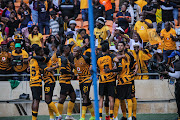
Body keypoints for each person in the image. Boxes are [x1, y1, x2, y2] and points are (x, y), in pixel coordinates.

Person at [29, 47, 59, 120]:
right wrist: (56, 66)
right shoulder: (40, 61)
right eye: (41, 51)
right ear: (39, 53)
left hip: (33, 82)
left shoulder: (32, 60)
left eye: (43, 51)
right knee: (38, 100)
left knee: (37, 100)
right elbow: (47, 69)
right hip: (38, 82)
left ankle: (52, 117)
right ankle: (57, 115)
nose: (42, 53)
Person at [112, 41, 138, 120]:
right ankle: (124, 116)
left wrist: (136, 70)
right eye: (118, 45)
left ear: (124, 47)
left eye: (121, 45)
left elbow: (135, 64)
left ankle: (133, 116)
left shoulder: (129, 55)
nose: (120, 47)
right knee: (122, 98)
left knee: (131, 97)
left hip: (129, 79)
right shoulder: (116, 55)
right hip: (121, 79)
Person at [73, 46, 95, 120]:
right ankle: (93, 115)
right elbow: (77, 68)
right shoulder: (74, 59)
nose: (73, 52)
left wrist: (91, 66)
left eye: (75, 51)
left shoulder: (85, 58)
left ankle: (82, 117)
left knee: (85, 96)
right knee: (85, 97)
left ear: (79, 52)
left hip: (87, 79)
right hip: (81, 80)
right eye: (73, 51)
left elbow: (92, 63)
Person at [97, 40, 116, 120]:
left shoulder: (98, 57)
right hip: (110, 80)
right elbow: (117, 60)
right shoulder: (110, 56)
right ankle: (111, 117)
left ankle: (100, 117)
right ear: (108, 49)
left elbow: (93, 67)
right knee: (111, 98)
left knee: (101, 98)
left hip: (102, 80)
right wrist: (115, 67)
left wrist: (100, 71)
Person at [57, 45, 76, 120]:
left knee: (73, 97)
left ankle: (68, 116)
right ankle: (59, 116)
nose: (69, 50)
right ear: (64, 50)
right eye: (68, 48)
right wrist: (71, 73)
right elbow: (62, 70)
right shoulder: (64, 59)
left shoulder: (64, 58)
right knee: (62, 99)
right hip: (64, 81)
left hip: (66, 81)